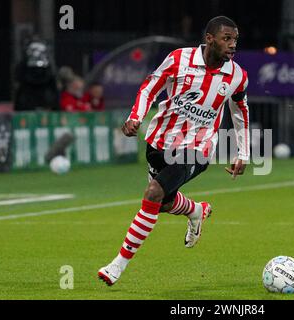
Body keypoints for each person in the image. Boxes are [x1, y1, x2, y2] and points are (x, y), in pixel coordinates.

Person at [98, 16, 250, 286]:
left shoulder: (237, 76)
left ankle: (116, 266)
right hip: (159, 142)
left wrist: (243, 152)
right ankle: (196, 211)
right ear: (209, 39)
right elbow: (150, 87)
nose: (232, 45)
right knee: (164, 203)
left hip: (198, 147)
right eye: (227, 39)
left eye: (235, 40)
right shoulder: (179, 59)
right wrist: (136, 117)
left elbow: (241, 112)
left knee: (153, 193)